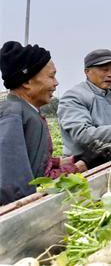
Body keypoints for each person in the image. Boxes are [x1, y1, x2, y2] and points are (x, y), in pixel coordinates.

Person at [0, 41, 87, 205]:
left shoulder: (28, 111)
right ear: (27, 82)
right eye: (51, 76)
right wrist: (78, 168)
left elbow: (31, 162)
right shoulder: (13, 115)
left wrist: (64, 161)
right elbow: (21, 186)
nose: (56, 83)